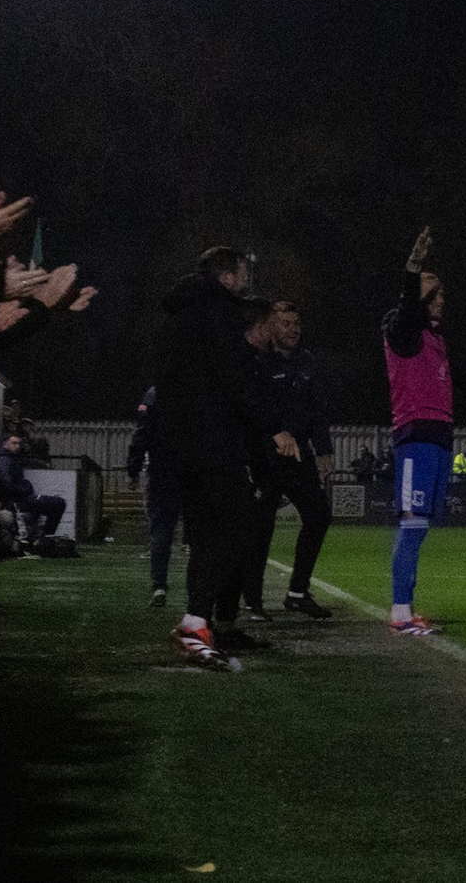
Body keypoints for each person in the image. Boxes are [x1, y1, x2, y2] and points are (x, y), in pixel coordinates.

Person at [155, 246, 293, 669]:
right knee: (241, 526)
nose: (247, 279)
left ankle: (201, 623)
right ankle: (196, 619)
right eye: (242, 272)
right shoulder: (218, 315)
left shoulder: (177, 317)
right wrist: (272, 426)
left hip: (179, 445)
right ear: (227, 276)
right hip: (213, 441)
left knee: (207, 535)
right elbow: (234, 382)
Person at [382, 227, 466, 636]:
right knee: (412, 522)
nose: (441, 301)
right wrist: (413, 267)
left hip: (438, 438)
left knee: (420, 526)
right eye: (434, 295)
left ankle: (407, 610)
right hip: (415, 436)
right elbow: (406, 308)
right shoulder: (402, 331)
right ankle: (400, 614)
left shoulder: (436, 338)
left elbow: (451, 375)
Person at [245, 300, 337, 620]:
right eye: (285, 323)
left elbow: (318, 411)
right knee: (261, 528)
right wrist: (273, 433)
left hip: (298, 455)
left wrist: (324, 453)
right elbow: (250, 407)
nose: (293, 330)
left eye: (296, 324)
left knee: (319, 516)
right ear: (270, 325)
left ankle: (297, 592)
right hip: (265, 457)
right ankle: (253, 600)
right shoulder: (257, 361)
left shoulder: (307, 362)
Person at [126, 386, 184, 606]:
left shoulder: (155, 394)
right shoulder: (202, 386)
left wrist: (133, 469)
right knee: (202, 534)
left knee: (161, 530)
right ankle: (203, 595)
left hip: (162, 470)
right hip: (195, 470)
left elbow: (141, 433)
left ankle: (159, 585)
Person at [0, 431, 68, 554]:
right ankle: (44, 540)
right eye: (14, 443)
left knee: (55, 504)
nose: (17, 446)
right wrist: (24, 488)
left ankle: (42, 540)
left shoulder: (8, 458)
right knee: (58, 503)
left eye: (18, 443)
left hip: (20, 499)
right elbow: (7, 484)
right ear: (5, 444)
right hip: (18, 501)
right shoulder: (3, 460)